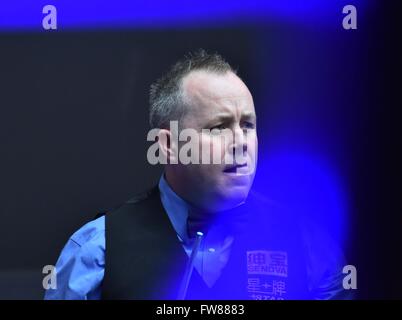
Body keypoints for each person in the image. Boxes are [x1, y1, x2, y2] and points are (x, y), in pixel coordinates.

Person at [45, 49, 349, 300]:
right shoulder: (96, 252)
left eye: (248, 125)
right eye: (218, 127)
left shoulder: (310, 245)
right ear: (168, 145)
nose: (241, 143)